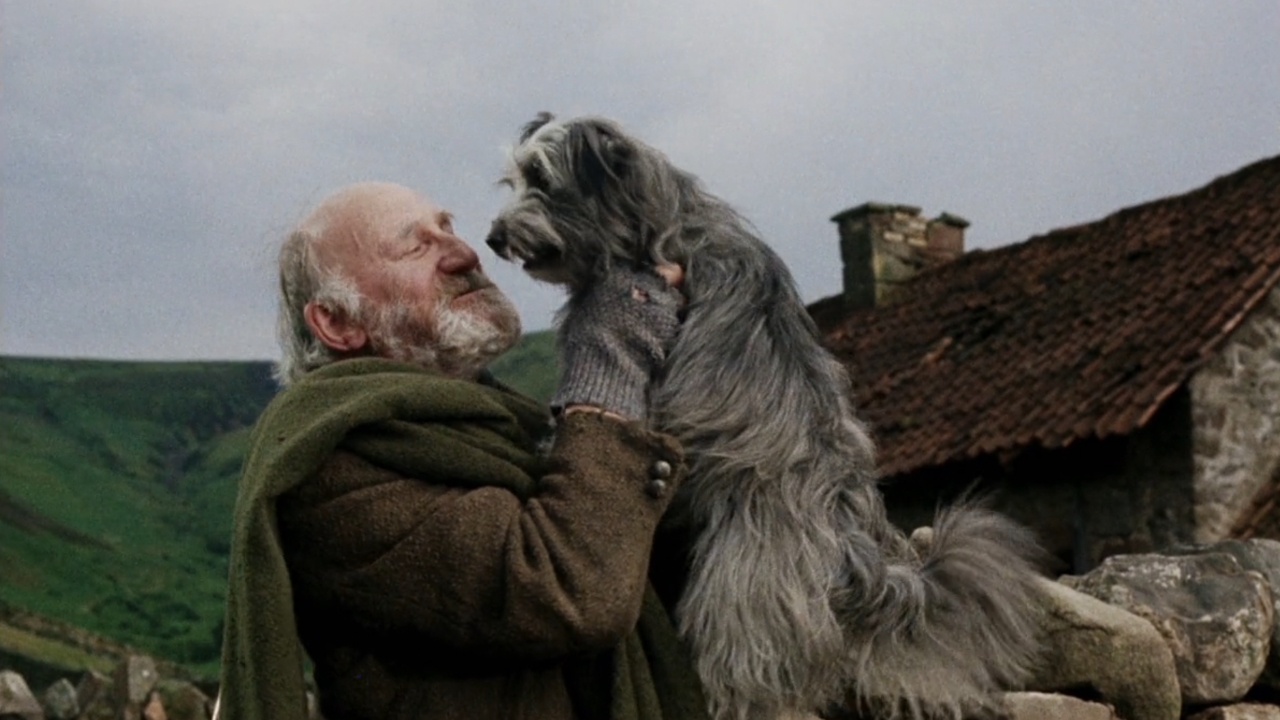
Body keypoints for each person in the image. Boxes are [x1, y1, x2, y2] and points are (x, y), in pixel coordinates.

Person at [216, 182, 708, 720]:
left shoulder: (507, 428)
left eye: (447, 227)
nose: (465, 253)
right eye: (414, 246)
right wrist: (610, 352)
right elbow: (568, 592)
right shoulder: (331, 472)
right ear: (337, 322)